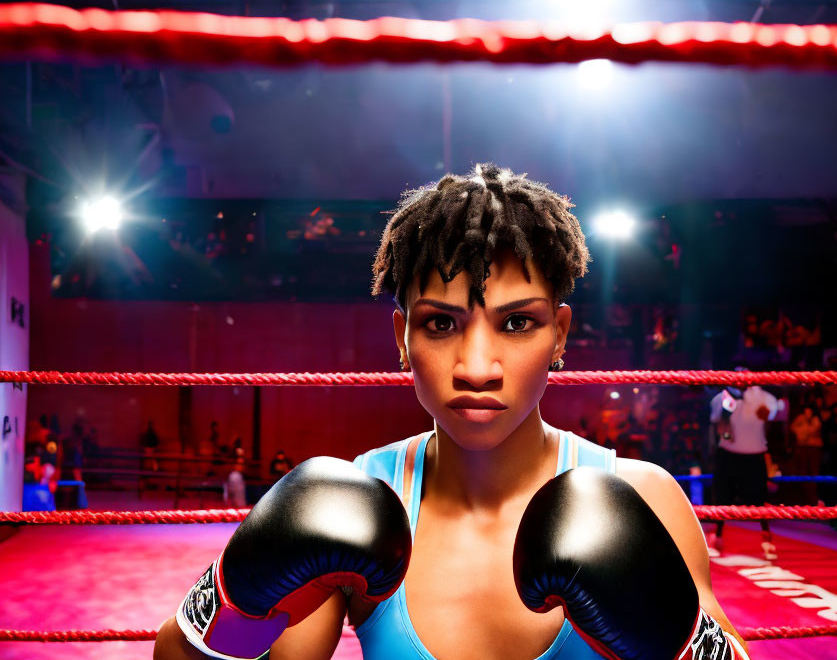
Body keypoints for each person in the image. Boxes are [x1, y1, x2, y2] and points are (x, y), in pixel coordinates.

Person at [154, 164, 747, 660]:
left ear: (560, 335)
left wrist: (681, 639)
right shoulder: (361, 498)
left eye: (518, 322)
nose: (477, 367)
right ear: (402, 337)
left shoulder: (643, 496)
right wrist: (232, 600)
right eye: (441, 324)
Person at [708, 384, 780, 561]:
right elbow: (718, 423)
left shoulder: (764, 397)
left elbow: (772, 415)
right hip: (729, 454)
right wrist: (726, 435)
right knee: (722, 498)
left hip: (754, 455)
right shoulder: (723, 397)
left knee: (759, 500)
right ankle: (717, 537)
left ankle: (767, 541)